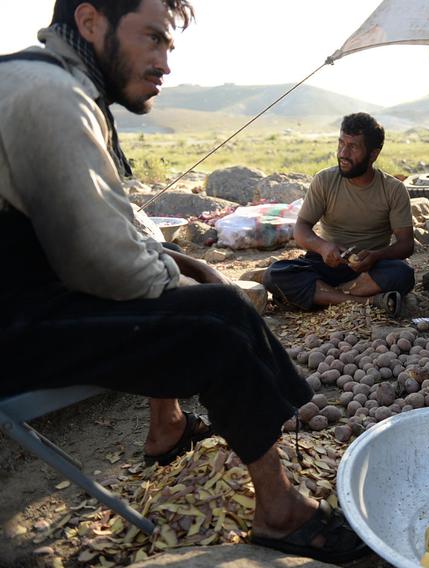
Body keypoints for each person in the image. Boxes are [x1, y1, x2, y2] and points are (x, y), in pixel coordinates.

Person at [0, 0, 366, 561]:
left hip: (24, 296)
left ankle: (167, 428)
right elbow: (102, 261)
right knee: (214, 320)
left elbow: (115, 225)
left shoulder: (46, 80)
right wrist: (181, 276)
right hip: (13, 325)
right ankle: (279, 512)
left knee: (171, 284)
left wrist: (173, 263)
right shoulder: (50, 95)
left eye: (167, 44)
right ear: (91, 21)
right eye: (152, 38)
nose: (164, 63)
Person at [257, 113, 415, 317]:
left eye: (353, 147)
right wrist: (323, 248)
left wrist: (376, 255)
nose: (343, 153)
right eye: (341, 143)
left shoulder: (393, 189)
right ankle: (367, 301)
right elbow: (301, 228)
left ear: (373, 154)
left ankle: (323, 296)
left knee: (403, 273)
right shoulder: (324, 180)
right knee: (276, 273)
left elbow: (406, 244)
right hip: (326, 264)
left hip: (369, 269)